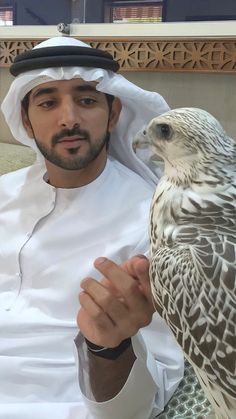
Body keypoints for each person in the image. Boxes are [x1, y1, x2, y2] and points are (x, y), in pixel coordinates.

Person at [0, 36, 184, 419]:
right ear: (27, 122)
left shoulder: (158, 221)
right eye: (48, 102)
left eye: (86, 100)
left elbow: (144, 400)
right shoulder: (3, 192)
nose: (69, 118)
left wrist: (108, 348)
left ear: (113, 113)